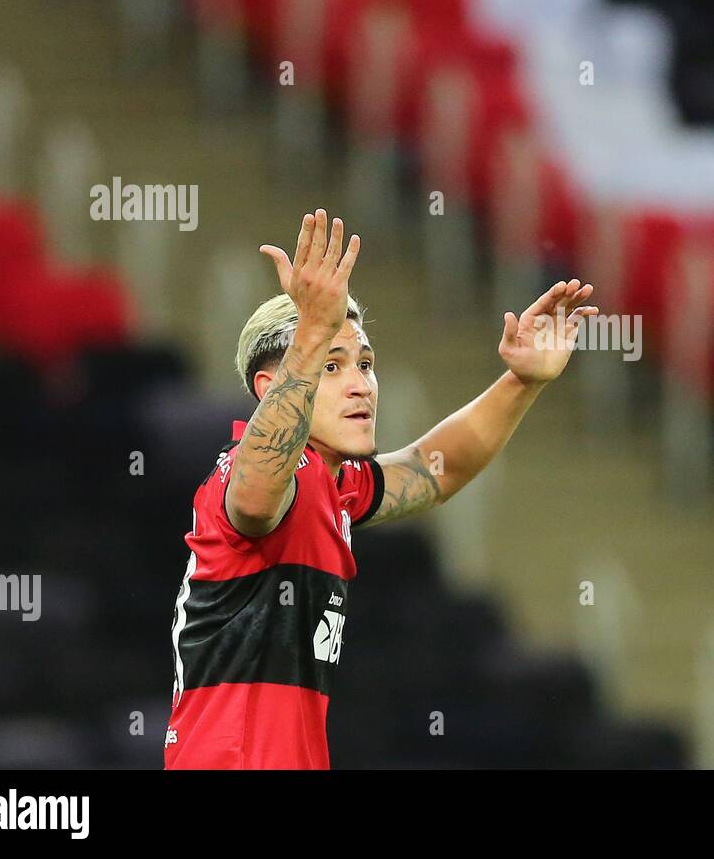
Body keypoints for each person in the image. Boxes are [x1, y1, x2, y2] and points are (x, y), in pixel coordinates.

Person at [165, 208, 596, 768]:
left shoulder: (337, 487)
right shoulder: (249, 474)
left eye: (365, 364)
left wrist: (521, 381)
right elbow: (254, 499)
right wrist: (312, 332)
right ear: (269, 387)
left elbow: (437, 469)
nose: (360, 385)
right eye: (333, 365)